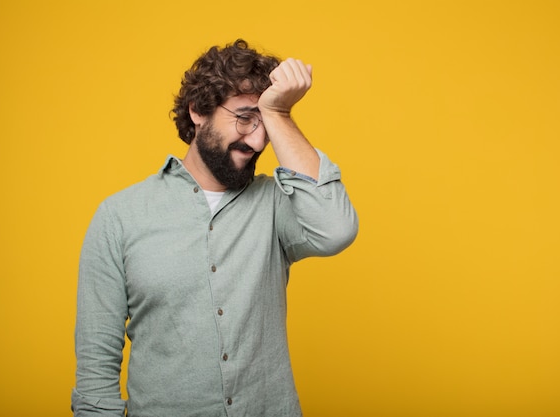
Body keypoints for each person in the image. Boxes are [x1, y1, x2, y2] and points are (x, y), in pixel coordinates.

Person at [71, 39, 358, 417]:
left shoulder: (275, 205)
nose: (256, 141)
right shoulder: (120, 216)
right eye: (244, 117)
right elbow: (97, 364)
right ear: (198, 111)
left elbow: (335, 229)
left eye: (265, 126)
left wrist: (280, 114)